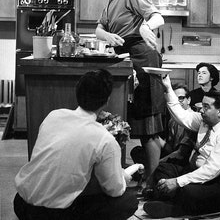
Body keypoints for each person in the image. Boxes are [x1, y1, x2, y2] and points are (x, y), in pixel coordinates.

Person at [13, 69, 140, 220]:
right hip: (51, 215)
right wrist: (123, 177)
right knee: (128, 201)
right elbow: (114, 190)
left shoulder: (53, 116)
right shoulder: (105, 139)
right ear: (107, 100)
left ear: (77, 93)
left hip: (20, 203)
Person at [92, 0, 165, 180]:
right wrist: (109, 36)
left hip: (143, 59)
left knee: (148, 127)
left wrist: (146, 27)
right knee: (126, 121)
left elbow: (157, 17)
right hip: (126, 58)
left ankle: (153, 183)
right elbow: (98, 29)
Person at [143, 75, 220, 218]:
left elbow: (211, 170)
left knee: (188, 190)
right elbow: (182, 116)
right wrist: (167, 87)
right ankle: (171, 199)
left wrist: (177, 182)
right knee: (164, 168)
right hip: (200, 172)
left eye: (206, 107)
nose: (201, 110)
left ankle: (171, 207)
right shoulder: (205, 120)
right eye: (202, 106)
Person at [130, 83, 197, 167]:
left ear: (189, 100)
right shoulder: (172, 120)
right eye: (174, 99)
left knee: (153, 165)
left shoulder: (191, 121)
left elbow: (180, 154)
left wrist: (157, 163)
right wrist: (154, 137)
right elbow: (169, 148)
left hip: (182, 161)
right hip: (172, 154)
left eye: (181, 98)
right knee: (137, 151)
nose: (177, 102)